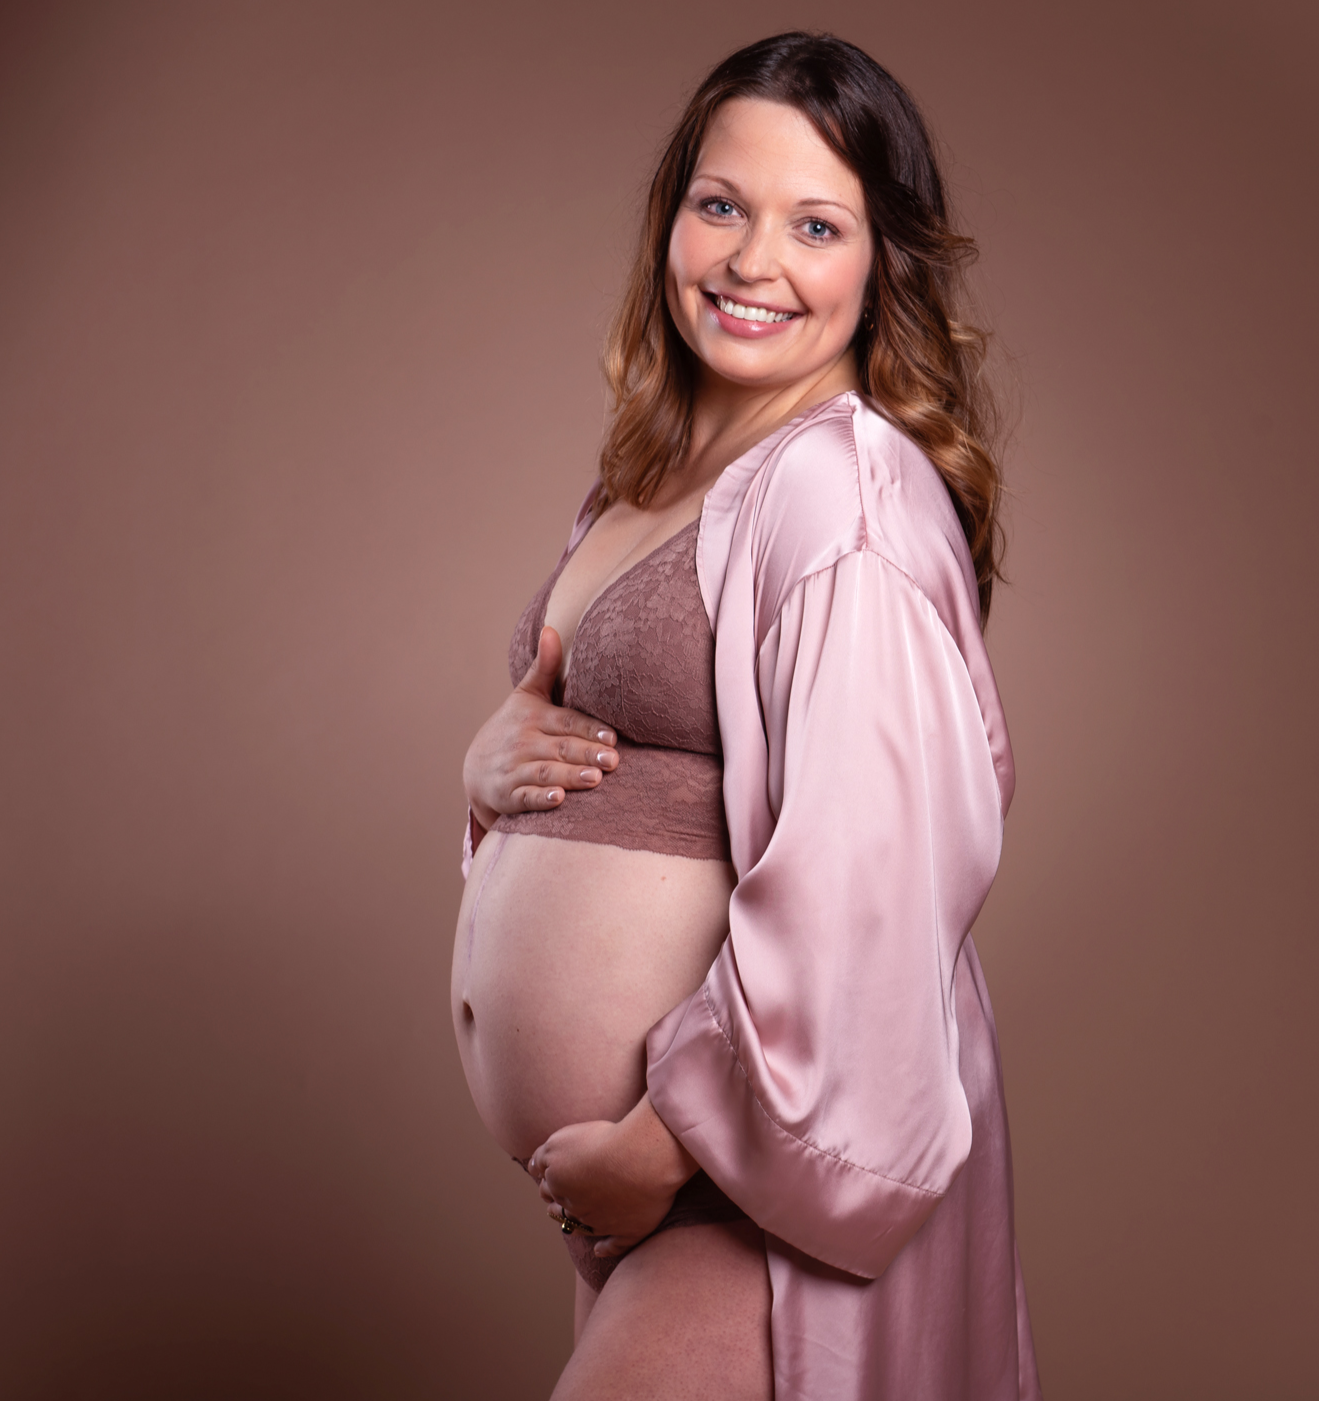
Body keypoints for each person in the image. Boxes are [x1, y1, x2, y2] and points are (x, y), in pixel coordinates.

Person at [450, 32, 1037, 1401]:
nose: (752, 261)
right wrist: (487, 774)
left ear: (882, 266)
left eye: (816, 226)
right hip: (658, 1195)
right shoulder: (655, 470)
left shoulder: (847, 496)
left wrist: (659, 1147)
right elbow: (622, 768)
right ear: (672, 216)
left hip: (740, 1188)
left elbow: (869, 881)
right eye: (722, 205)